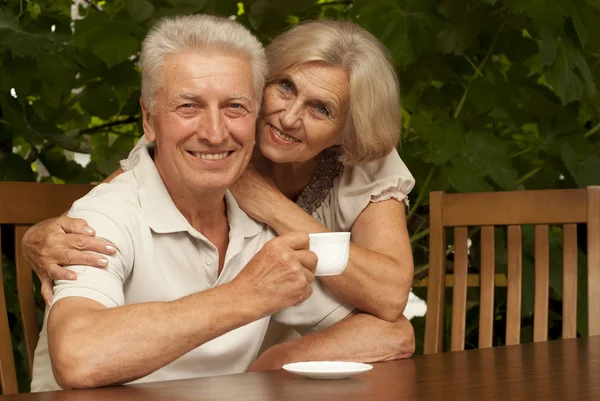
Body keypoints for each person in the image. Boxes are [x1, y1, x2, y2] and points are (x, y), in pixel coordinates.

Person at [29, 15, 414, 392]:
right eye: (284, 88)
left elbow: (393, 319)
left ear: (345, 132)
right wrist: (36, 236)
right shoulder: (132, 198)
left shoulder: (266, 232)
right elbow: (102, 216)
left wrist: (271, 364)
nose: (290, 117)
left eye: (321, 109)